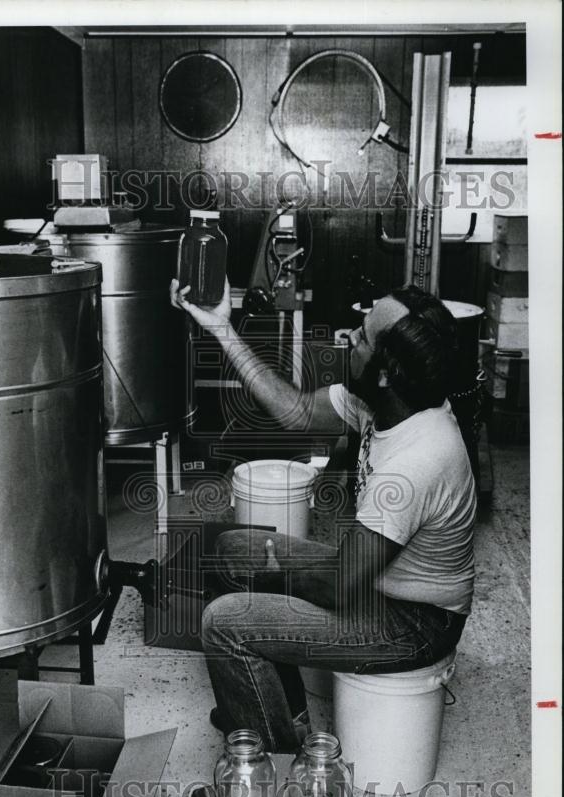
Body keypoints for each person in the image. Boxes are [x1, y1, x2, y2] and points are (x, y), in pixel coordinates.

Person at [169, 278, 477, 753]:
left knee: (223, 622)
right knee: (231, 549)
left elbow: (339, 586)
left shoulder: (418, 460)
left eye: (363, 336)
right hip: (378, 583)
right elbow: (296, 412)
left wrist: (276, 580)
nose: (350, 337)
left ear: (386, 372)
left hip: (415, 623)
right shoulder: (386, 400)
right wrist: (222, 328)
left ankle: (271, 757)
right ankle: (276, 709)